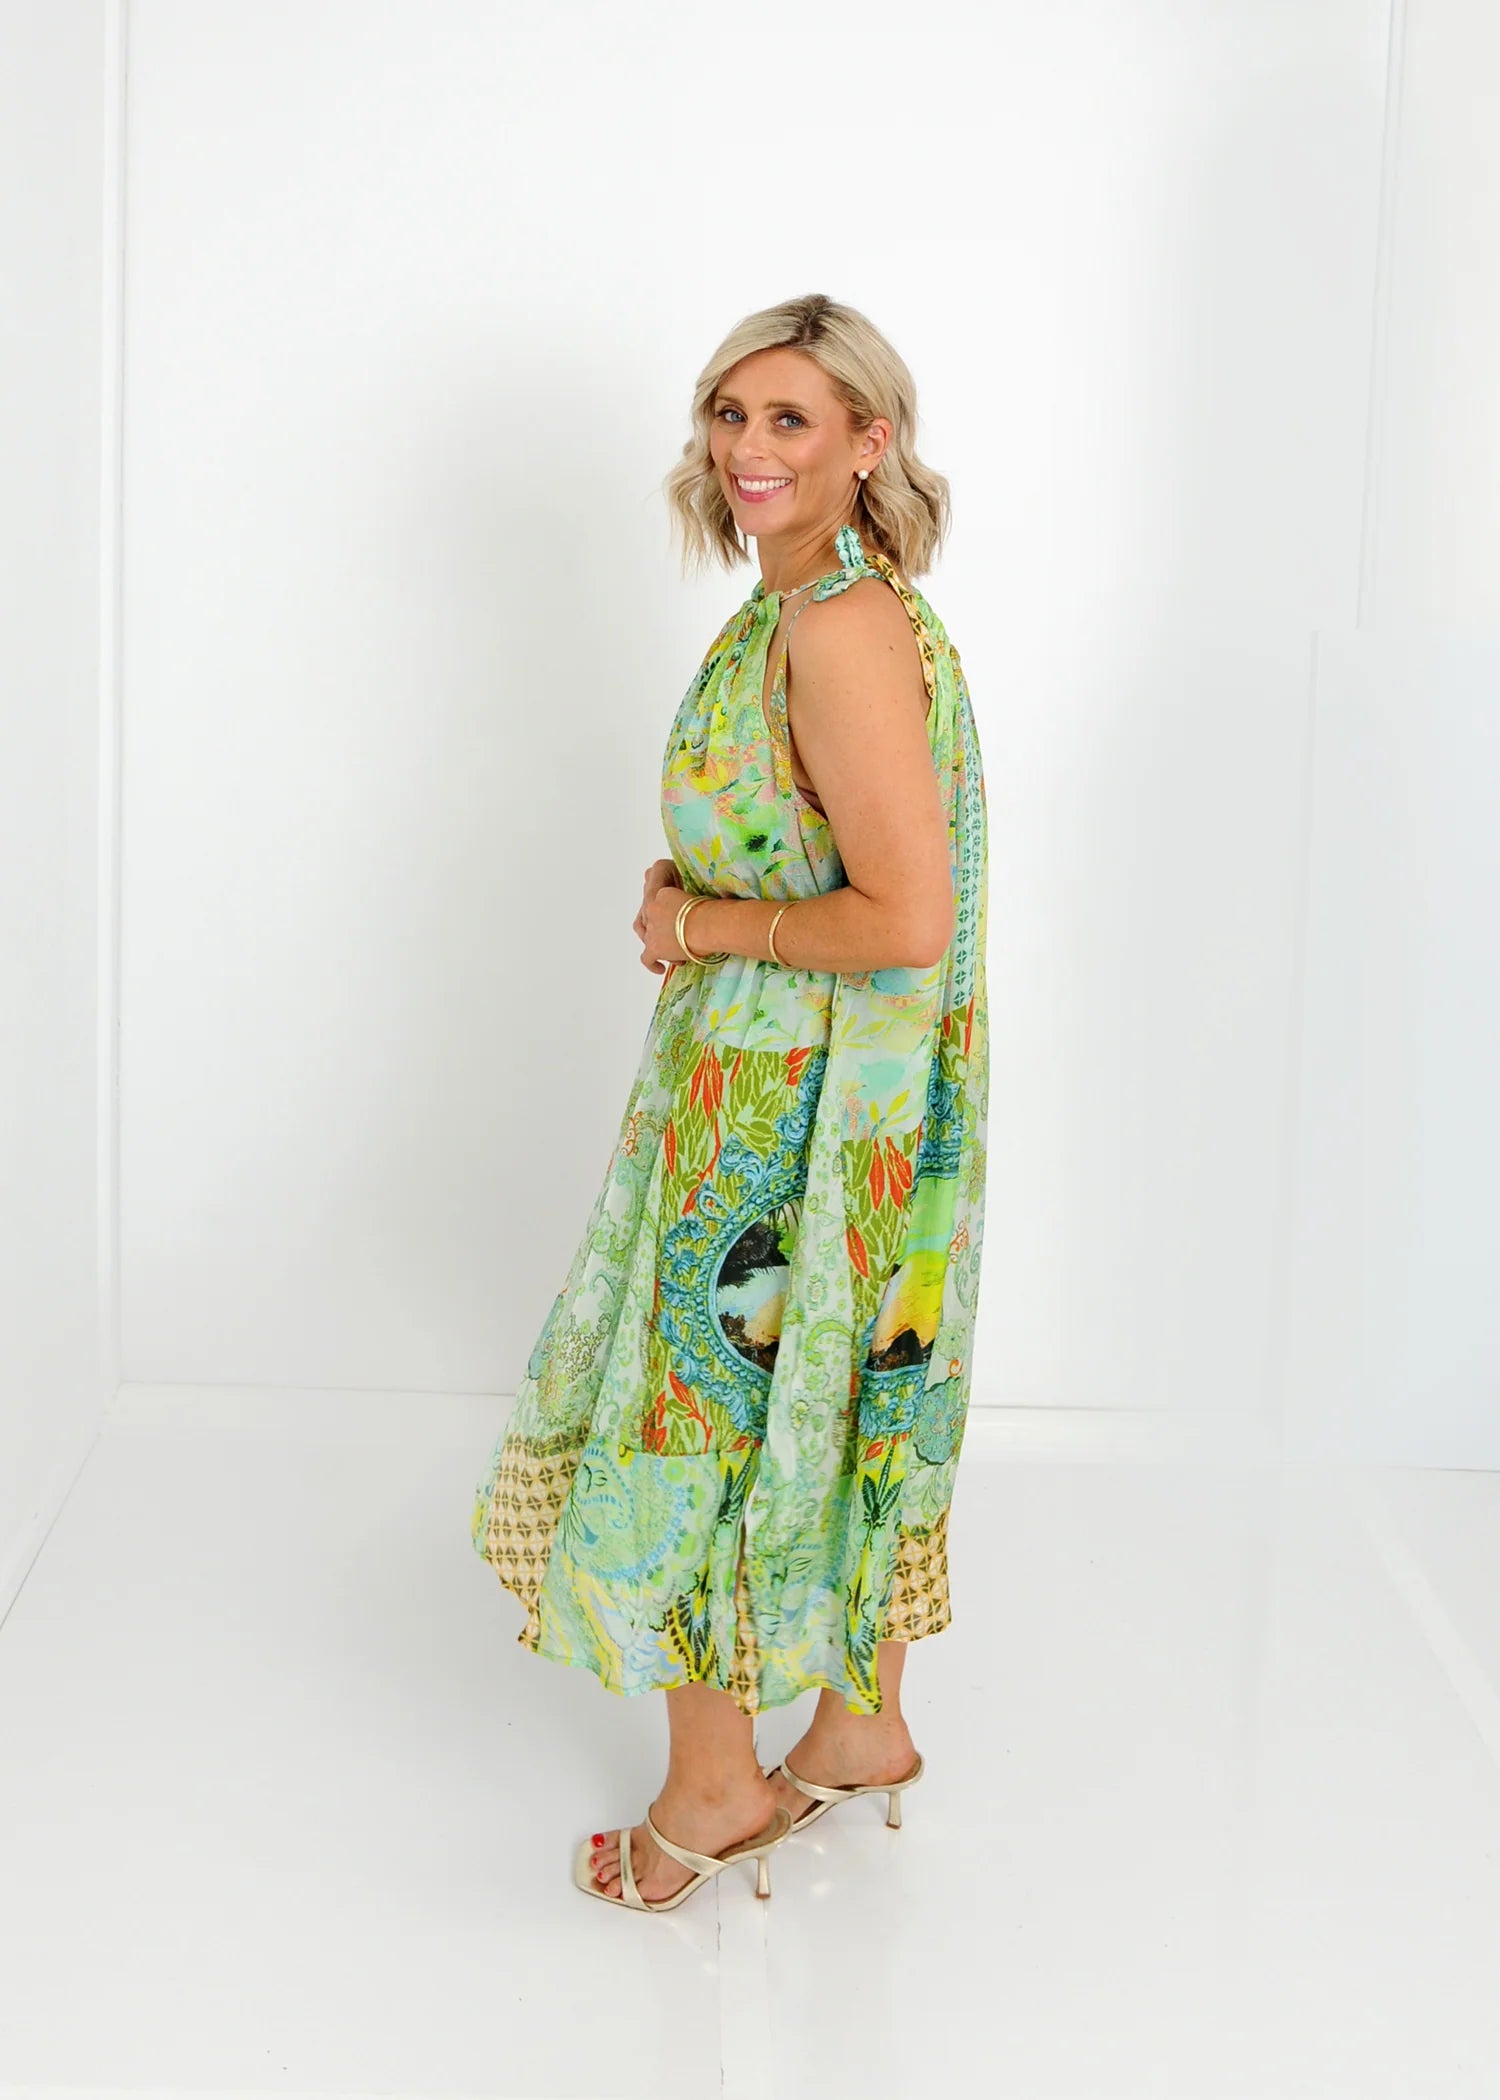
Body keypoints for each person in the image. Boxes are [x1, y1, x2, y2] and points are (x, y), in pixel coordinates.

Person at [471, 291, 990, 1913]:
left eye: (790, 419)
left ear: (869, 442)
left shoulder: (835, 627)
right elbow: (820, 845)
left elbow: (905, 916)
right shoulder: (816, 608)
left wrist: (699, 926)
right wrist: (702, 885)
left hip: (787, 1109)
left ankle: (713, 1792)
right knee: (842, 1399)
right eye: (728, 411)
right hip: (824, 1085)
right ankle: (858, 1731)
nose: (747, 446)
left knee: (698, 1414)